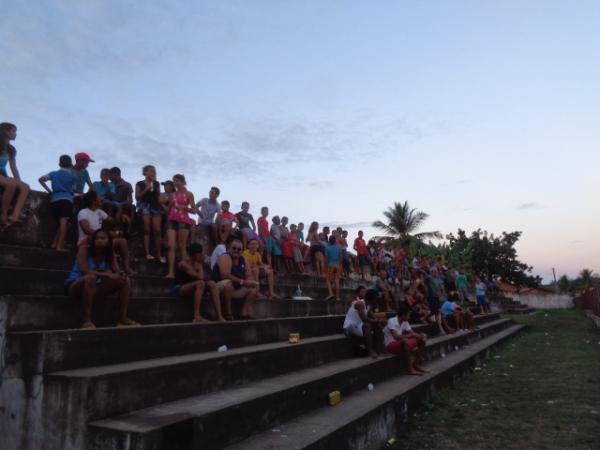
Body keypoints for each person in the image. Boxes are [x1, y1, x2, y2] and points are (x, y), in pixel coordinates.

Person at [64, 229, 138, 329]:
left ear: (108, 241)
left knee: (125, 281)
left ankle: (122, 319)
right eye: (96, 238)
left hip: (96, 286)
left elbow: (116, 270)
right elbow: (84, 271)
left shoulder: (109, 253)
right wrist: (108, 275)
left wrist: (121, 274)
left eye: (102, 238)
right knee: (91, 278)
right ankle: (86, 321)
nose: (99, 240)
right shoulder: (84, 249)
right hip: (76, 285)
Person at [77, 190, 136, 275]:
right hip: (87, 241)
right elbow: (87, 231)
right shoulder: (83, 212)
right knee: (103, 239)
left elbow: (114, 222)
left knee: (122, 241)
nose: (101, 199)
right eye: (99, 197)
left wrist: (120, 210)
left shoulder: (100, 212)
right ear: (93, 201)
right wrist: (107, 235)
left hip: (100, 240)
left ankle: (126, 267)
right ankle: (114, 269)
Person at [172, 243, 225, 323]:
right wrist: (200, 263)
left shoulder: (195, 262)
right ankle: (197, 316)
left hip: (193, 287)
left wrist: (199, 263)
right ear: (197, 254)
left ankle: (219, 316)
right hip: (179, 288)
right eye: (201, 253)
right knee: (200, 283)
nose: (203, 254)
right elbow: (200, 277)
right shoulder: (184, 264)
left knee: (212, 284)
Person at [212, 238, 259, 320]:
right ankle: (228, 313)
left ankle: (243, 313)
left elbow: (249, 274)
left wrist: (250, 281)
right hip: (220, 288)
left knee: (255, 286)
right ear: (229, 248)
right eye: (234, 248)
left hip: (236, 288)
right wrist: (243, 282)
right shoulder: (225, 256)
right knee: (228, 283)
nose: (236, 250)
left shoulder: (243, 259)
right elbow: (225, 275)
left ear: (241, 250)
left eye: (239, 249)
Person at [38, 155, 78, 252]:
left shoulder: (53, 174)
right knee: (65, 223)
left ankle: (54, 243)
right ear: (70, 165)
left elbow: (40, 179)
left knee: (61, 224)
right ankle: (59, 246)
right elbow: (73, 190)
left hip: (54, 200)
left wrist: (49, 191)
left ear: (59, 164)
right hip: (66, 200)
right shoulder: (73, 177)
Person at [383, 303, 430, 376]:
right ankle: (410, 369)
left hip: (399, 343)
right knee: (405, 341)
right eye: (408, 314)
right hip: (390, 345)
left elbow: (413, 333)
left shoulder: (405, 322)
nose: (409, 316)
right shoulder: (391, 321)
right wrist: (409, 336)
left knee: (421, 341)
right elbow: (395, 336)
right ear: (403, 315)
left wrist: (421, 336)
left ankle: (416, 365)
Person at [165, 174, 196, 278]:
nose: (175, 183)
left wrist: (185, 208)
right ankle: (170, 272)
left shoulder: (189, 194)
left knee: (182, 246)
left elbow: (194, 210)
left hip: (184, 221)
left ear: (183, 181)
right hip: (171, 220)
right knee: (170, 246)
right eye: (174, 181)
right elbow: (169, 209)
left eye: (177, 181)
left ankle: (185, 273)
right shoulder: (172, 195)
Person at [0, 122, 30, 229]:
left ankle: (14, 215)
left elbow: (13, 168)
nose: (15, 134)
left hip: (3, 175)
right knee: (11, 184)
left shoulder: (11, 150)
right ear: (5, 131)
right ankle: (3, 215)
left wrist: (19, 182)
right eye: (13, 131)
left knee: (25, 187)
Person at [343, 286, 385, 358]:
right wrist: (377, 320)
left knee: (377, 325)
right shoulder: (360, 304)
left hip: (359, 326)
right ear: (372, 299)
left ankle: (379, 348)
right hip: (349, 327)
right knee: (368, 325)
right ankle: (370, 350)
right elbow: (364, 319)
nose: (377, 300)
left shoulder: (369, 305)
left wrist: (379, 322)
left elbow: (372, 317)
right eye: (376, 299)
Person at [135, 165, 164, 262]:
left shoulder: (156, 183)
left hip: (155, 206)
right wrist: (146, 189)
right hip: (145, 206)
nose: (153, 173)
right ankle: (147, 253)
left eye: (154, 171)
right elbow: (137, 197)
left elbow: (159, 197)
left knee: (157, 231)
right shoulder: (139, 183)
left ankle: (159, 255)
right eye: (151, 171)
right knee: (146, 230)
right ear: (145, 173)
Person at [325, 235, 343, 301]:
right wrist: (340, 265)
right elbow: (341, 257)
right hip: (338, 265)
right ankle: (337, 297)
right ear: (335, 241)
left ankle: (331, 294)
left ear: (329, 241)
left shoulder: (327, 248)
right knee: (337, 280)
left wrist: (325, 266)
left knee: (328, 280)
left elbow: (326, 259)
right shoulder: (339, 247)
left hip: (330, 265)